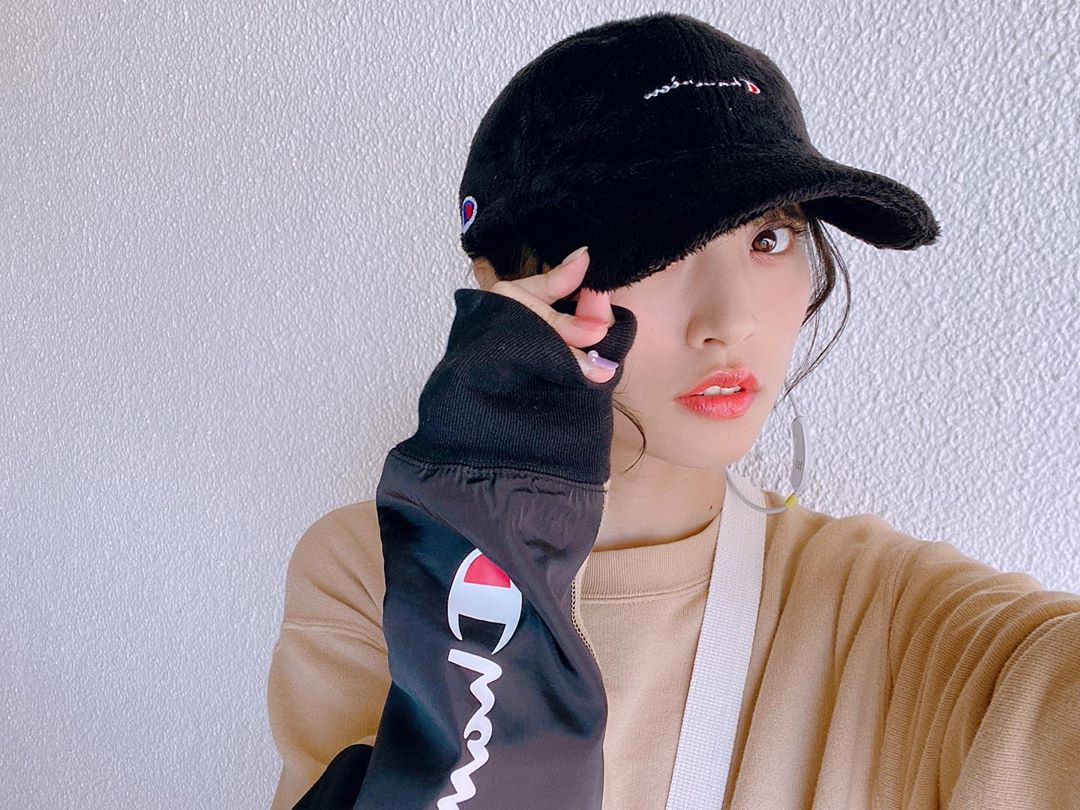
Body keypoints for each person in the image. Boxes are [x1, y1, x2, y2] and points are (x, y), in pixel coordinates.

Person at [267, 12, 1080, 809]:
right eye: (657, 247)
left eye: (769, 239)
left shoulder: (891, 609)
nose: (731, 320)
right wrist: (489, 518)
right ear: (502, 286)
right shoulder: (384, 569)